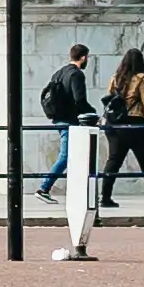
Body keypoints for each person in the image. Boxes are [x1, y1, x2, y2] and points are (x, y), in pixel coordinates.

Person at [96, 48, 144, 208]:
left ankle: (105, 197)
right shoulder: (141, 78)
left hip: (114, 124)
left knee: (113, 161)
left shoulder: (116, 77)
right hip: (134, 123)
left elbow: (109, 100)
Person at [36, 43, 97, 198]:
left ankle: (80, 192)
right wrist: (93, 113)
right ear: (83, 57)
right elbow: (79, 100)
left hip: (58, 118)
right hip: (69, 120)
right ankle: (44, 188)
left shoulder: (59, 73)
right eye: (87, 57)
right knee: (66, 156)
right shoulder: (76, 74)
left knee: (74, 157)